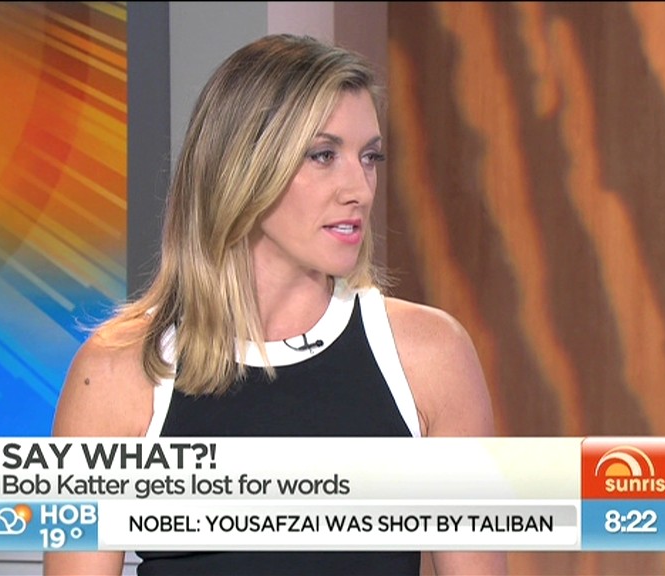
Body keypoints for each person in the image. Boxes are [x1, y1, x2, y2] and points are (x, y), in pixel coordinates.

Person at [44, 34, 505, 576]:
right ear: (244, 168)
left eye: (370, 157)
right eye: (324, 155)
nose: (359, 188)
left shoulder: (428, 357)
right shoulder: (119, 371)